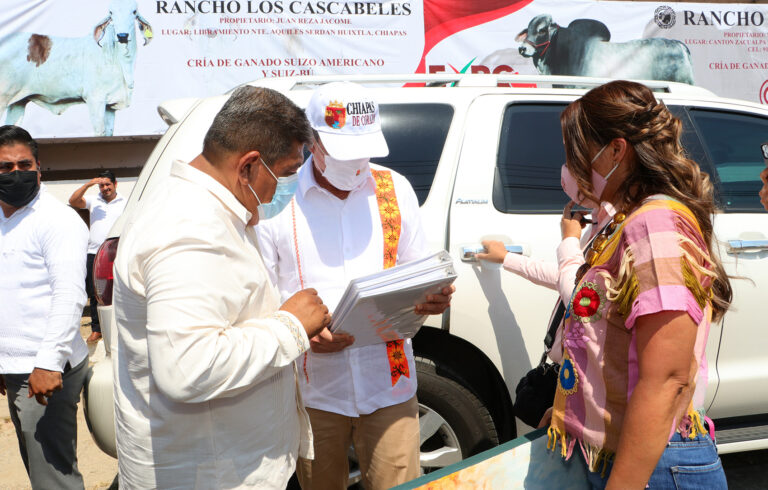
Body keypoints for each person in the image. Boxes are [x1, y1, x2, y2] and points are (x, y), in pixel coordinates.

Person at [111, 86, 330, 489]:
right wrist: (290, 327)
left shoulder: (212, 208)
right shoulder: (191, 230)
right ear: (248, 166)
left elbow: (220, 313)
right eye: (284, 175)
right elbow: (188, 368)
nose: (288, 189)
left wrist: (285, 320)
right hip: (212, 474)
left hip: (231, 462)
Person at [256, 81, 454, 490]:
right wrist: (300, 331)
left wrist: (431, 295)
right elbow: (259, 293)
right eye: (344, 152)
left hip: (390, 384)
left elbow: (415, 271)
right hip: (314, 392)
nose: (357, 163)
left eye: (364, 149)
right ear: (313, 143)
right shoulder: (279, 200)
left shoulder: (393, 188)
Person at [543, 80, 732, 489]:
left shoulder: (655, 223)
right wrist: (570, 405)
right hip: (633, 454)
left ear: (616, 150)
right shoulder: (629, 218)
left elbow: (667, 378)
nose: (572, 166)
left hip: (654, 466)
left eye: (578, 152)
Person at [0, 125, 90, 489]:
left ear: (39, 167)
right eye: (5, 167)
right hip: (16, 366)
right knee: (38, 468)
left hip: (46, 370)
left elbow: (69, 296)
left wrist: (49, 363)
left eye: (24, 164)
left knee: (53, 477)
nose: (15, 173)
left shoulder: (57, 220)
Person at [68, 169, 126, 342]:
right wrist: (88, 184)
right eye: (102, 185)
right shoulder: (94, 201)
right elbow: (73, 200)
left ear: (115, 184)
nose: (105, 188)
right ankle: (97, 328)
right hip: (94, 252)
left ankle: (120, 326)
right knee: (95, 292)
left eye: (108, 184)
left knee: (120, 289)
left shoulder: (126, 202)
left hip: (118, 251)